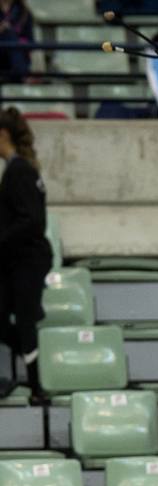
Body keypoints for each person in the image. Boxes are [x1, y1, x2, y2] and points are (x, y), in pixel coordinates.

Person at [0, 107, 52, 403]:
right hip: (15, 261)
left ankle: (36, 387)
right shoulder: (18, 170)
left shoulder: (20, 171)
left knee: (24, 322)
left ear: (3, 135)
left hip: (27, 261)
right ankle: (35, 376)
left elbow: (31, 221)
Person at [0, 0, 33, 81]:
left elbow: (30, 41)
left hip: (17, 56)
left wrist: (15, 39)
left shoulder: (24, 12)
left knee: (9, 34)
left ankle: (19, 72)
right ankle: (22, 74)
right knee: (7, 33)